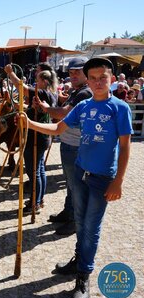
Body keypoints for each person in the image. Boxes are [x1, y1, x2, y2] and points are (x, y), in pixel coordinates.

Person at [19, 57, 133, 298]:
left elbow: (125, 147)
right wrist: (30, 123)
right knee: (80, 222)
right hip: (80, 173)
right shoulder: (83, 106)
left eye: (103, 77)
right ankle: (78, 261)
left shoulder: (120, 108)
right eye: (93, 78)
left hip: (103, 179)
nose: (98, 82)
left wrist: (119, 181)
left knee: (91, 228)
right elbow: (58, 128)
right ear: (88, 80)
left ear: (112, 79)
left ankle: (83, 276)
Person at [35, 57, 93, 235]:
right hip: (69, 143)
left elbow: (62, 113)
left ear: (87, 73)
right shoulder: (78, 91)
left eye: (78, 71)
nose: (73, 74)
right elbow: (65, 103)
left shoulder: (84, 92)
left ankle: (75, 221)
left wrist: (46, 108)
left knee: (76, 185)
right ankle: (68, 213)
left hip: (75, 145)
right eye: (71, 72)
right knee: (70, 183)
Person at [5, 63, 58, 214]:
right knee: (39, 169)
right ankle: (38, 200)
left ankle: (34, 203)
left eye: (38, 80)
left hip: (36, 137)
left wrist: (10, 73)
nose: (36, 82)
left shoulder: (43, 93)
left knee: (33, 171)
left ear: (45, 82)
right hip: (42, 136)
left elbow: (21, 88)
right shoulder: (51, 94)